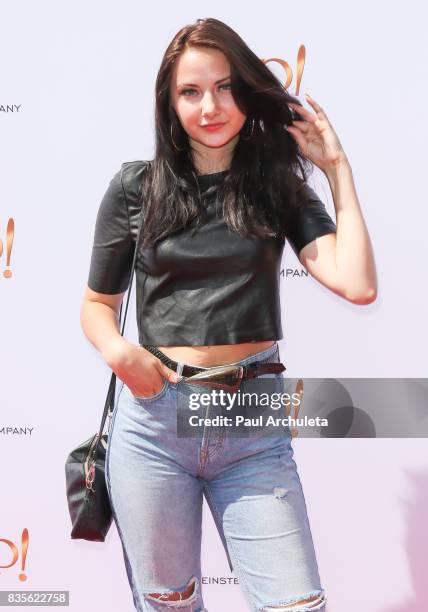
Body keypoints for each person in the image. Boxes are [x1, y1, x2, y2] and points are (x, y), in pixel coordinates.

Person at [80, 17, 377, 612]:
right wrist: (120, 352)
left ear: (245, 90)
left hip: (251, 423)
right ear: (170, 102)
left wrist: (337, 169)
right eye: (191, 92)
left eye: (224, 87)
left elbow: (357, 283)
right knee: (170, 602)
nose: (209, 106)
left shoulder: (276, 185)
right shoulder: (135, 188)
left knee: (296, 603)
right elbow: (97, 306)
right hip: (155, 422)